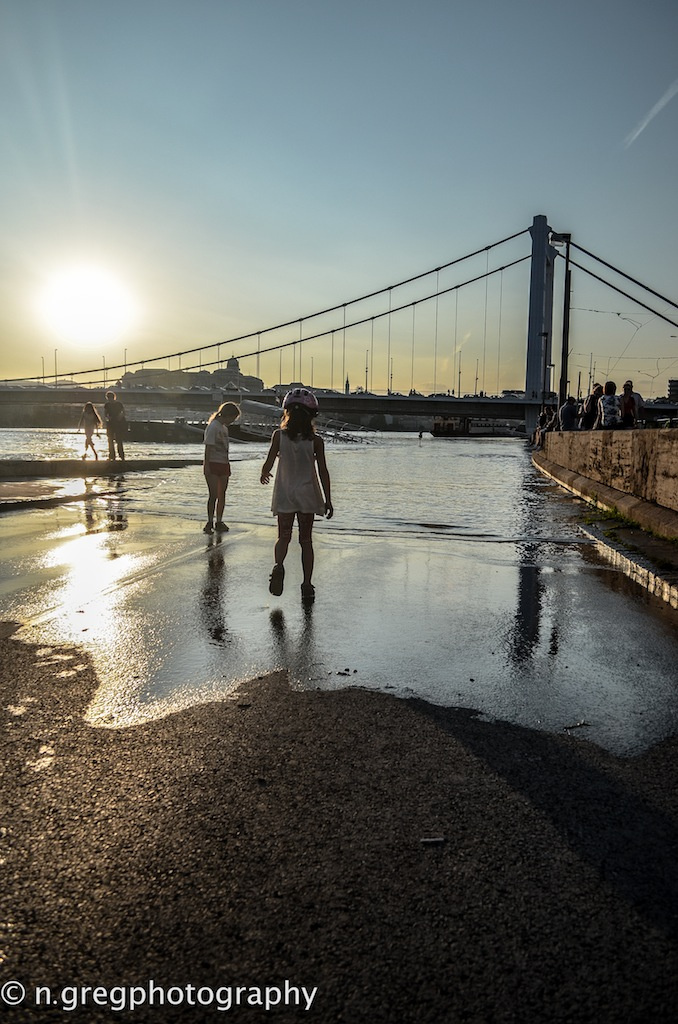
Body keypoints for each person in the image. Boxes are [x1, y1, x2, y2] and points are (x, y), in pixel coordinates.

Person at [260, 387, 333, 603]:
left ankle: (278, 566)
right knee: (306, 540)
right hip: (307, 495)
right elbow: (323, 471)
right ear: (312, 416)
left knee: (283, 536)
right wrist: (328, 499)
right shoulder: (316, 441)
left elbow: (269, 463)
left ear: (287, 413)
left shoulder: (278, 436)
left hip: (285, 494)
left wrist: (264, 474)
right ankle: (307, 584)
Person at [202, 401, 240, 534]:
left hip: (224, 463)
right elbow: (208, 447)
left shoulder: (224, 428)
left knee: (221, 494)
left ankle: (219, 521)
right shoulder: (213, 427)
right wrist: (206, 466)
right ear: (227, 415)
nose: (233, 421)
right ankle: (209, 521)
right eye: (233, 418)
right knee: (213, 495)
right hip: (213, 463)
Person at [103, 390, 127, 461]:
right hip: (110, 423)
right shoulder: (107, 405)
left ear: (113, 397)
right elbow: (105, 414)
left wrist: (120, 416)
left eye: (110, 398)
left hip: (118, 424)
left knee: (119, 440)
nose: (109, 399)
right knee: (110, 440)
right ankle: (112, 456)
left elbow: (123, 412)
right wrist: (108, 418)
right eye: (108, 398)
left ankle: (121, 455)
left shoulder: (119, 404)